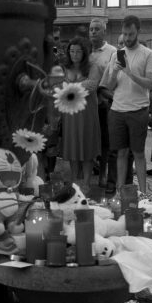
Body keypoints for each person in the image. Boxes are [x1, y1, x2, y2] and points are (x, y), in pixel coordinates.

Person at [99, 15, 152, 194]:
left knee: (139, 153)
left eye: (130, 34)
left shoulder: (148, 54)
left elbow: (150, 83)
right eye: (124, 34)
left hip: (138, 110)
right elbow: (108, 86)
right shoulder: (117, 54)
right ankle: (120, 191)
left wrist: (130, 73)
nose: (127, 38)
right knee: (121, 153)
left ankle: (143, 193)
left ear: (138, 32)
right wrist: (114, 72)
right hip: (117, 110)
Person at [54, 36, 102, 189]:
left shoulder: (92, 66)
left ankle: (87, 183)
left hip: (87, 113)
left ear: (84, 52)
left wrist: (71, 86)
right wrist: (77, 86)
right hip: (70, 114)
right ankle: (75, 181)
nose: (74, 54)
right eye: (72, 51)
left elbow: (93, 85)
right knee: (73, 146)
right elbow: (59, 87)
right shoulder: (64, 67)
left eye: (78, 51)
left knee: (87, 146)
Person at [87, 17, 119, 190]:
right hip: (85, 105)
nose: (93, 32)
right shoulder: (84, 51)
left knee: (106, 142)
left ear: (104, 31)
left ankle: (103, 174)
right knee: (89, 140)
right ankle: (87, 173)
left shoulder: (113, 52)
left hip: (104, 103)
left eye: (97, 29)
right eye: (91, 29)